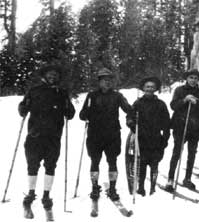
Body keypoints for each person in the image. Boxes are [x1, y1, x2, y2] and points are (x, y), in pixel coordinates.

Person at [18, 65, 75, 217]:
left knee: (51, 166)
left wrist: (69, 110)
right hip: (34, 135)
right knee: (32, 165)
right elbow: (23, 106)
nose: (52, 77)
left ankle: (46, 195)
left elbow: (71, 113)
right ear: (44, 75)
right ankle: (30, 193)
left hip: (53, 137)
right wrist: (23, 109)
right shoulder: (34, 91)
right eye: (50, 74)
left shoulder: (62, 93)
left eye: (55, 75)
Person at [79, 68, 132, 202]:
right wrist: (86, 114)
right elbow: (82, 114)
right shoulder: (92, 96)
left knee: (112, 161)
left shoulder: (117, 96)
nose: (107, 83)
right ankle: (95, 187)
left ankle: (113, 189)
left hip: (112, 134)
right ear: (99, 82)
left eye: (109, 80)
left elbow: (128, 109)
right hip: (95, 134)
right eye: (104, 80)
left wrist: (133, 113)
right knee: (95, 161)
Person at [126, 77, 170, 196]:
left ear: (155, 89)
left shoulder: (161, 104)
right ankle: (141, 187)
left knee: (155, 163)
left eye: (152, 87)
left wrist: (165, 138)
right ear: (143, 89)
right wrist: (131, 122)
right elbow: (129, 116)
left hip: (156, 138)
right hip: (142, 138)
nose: (150, 89)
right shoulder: (138, 103)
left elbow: (167, 122)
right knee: (142, 164)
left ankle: (152, 187)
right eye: (147, 87)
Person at [165, 70, 199, 191]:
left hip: (195, 127)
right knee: (177, 152)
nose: (193, 80)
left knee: (192, 153)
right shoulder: (179, 90)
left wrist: (197, 102)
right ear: (187, 78)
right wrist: (184, 100)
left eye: (195, 78)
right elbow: (173, 105)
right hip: (180, 125)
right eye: (191, 77)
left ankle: (187, 178)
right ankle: (170, 179)